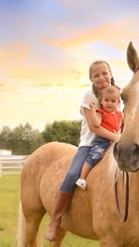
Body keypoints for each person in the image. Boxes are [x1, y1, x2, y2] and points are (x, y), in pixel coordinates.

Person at [45, 60, 120, 241]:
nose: (101, 77)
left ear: (110, 74)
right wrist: (117, 138)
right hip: (90, 144)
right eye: (96, 75)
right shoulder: (89, 97)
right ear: (91, 79)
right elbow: (95, 127)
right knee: (72, 174)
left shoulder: (119, 94)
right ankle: (55, 219)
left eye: (104, 73)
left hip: (114, 143)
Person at [75, 85, 122, 190]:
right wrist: (93, 110)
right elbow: (96, 124)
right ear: (101, 101)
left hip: (114, 141)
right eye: (107, 100)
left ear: (118, 103)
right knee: (94, 157)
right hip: (103, 141)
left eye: (113, 101)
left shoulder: (119, 115)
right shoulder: (102, 113)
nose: (109, 103)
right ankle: (82, 178)